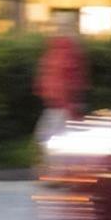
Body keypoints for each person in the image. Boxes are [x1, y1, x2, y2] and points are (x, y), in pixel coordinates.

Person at [34, 11, 89, 142]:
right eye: (57, 24)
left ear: (70, 27)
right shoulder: (54, 46)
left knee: (47, 141)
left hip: (63, 105)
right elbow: (47, 72)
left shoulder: (69, 48)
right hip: (55, 104)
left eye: (63, 25)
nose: (59, 28)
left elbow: (75, 79)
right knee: (48, 140)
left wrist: (73, 104)